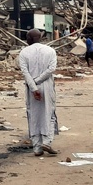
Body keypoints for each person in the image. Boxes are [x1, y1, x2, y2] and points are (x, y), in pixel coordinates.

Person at [18, 29, 59, 157]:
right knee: (49, 114)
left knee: (33, 115)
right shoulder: (50, 51)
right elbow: (51, 69)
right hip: (46, 85)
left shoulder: (23, 53)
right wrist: (39, 80)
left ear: (29, 39)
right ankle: (47, 141)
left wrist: (34, 87)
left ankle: (37, 148)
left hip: (31, 87)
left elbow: (25, 73)